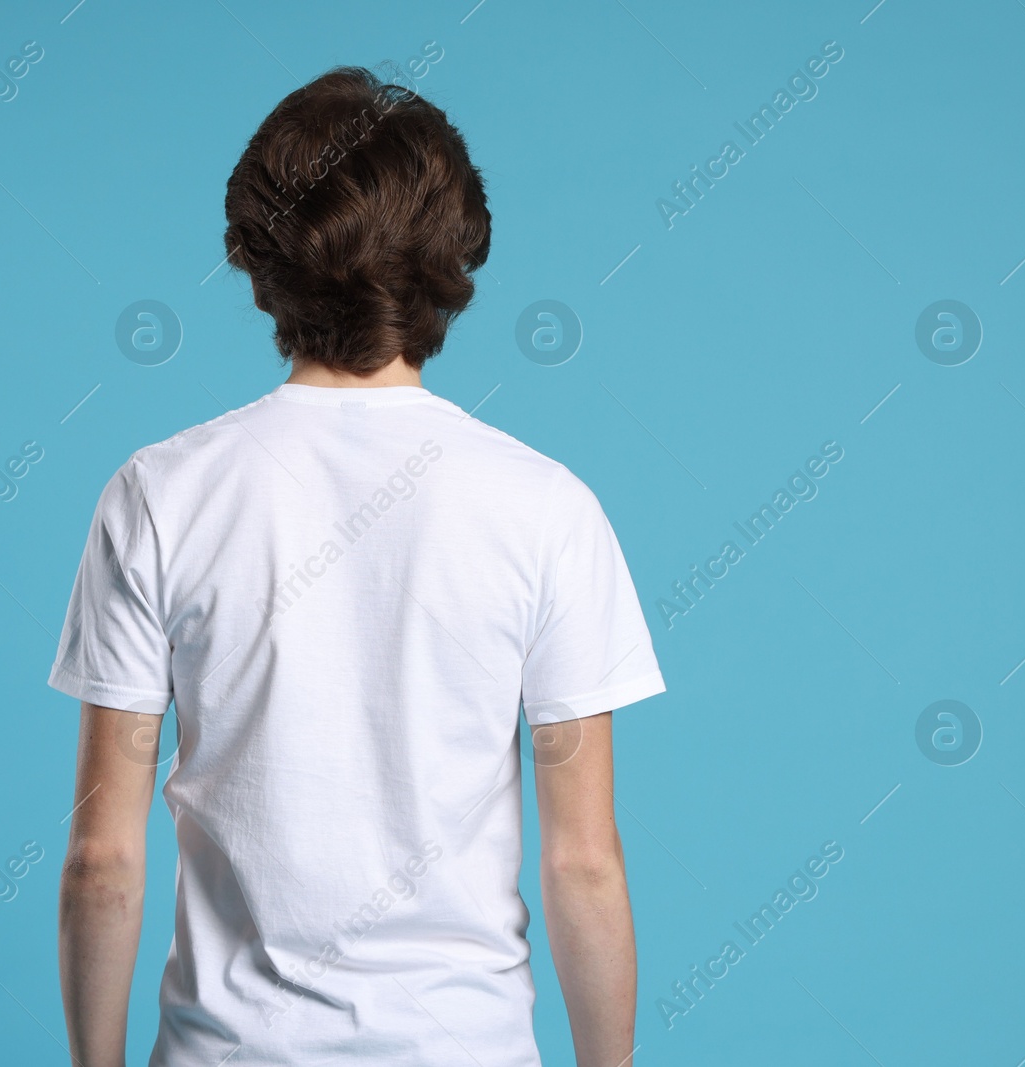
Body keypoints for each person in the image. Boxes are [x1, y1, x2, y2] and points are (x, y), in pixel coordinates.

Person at [52, 66, 665, 1067]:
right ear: (454, 255)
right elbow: (583, 861)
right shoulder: (547, 508)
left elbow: (101, 856)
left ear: (261, 257)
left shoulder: (158, 494)